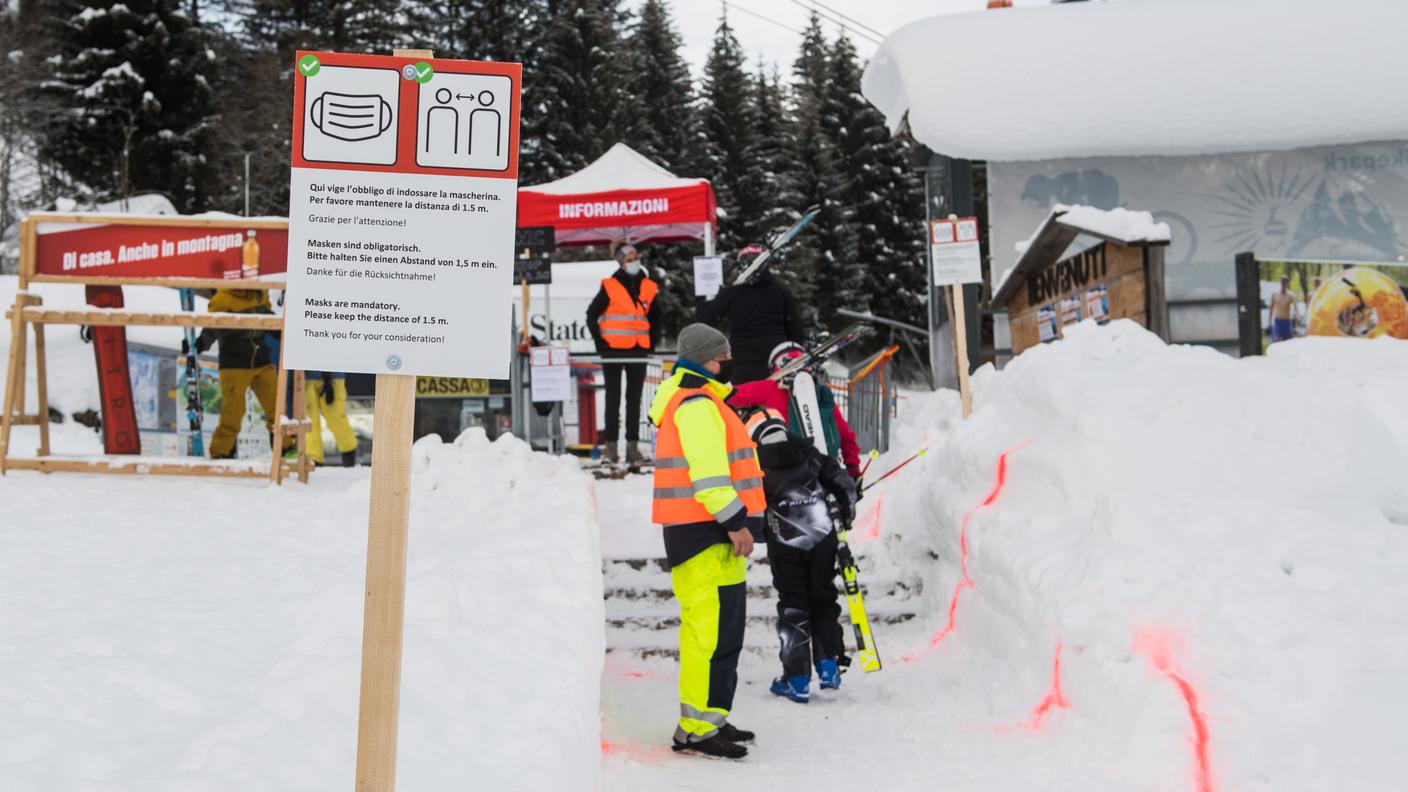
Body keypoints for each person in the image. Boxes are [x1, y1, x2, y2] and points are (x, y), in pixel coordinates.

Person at [647, 323, 765, 760]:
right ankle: (695, 730)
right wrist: (737, 523)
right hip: (706, 534)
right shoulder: (696, 405)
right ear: (704, 359)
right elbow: (711, 478)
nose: (726, 365)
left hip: (710, 536)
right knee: (707, 637)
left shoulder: (705, 401)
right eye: (721, 358)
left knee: (723, 634)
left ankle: (712, 716)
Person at [742, 407, 857, 703]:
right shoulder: (809, 452)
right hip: (822, 536)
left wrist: (761, 535)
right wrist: (846, 514)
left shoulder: (753, 462)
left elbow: (751, 508)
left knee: (793, 604)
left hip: (785, 540)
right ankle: (829, 666)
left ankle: (797, 679)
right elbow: (842, 483)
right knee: (823, 597)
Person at [729, 341, 862, 478]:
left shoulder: (768, 389)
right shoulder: (820, 394)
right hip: (826, 471)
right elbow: (846, 437)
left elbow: (731, 395)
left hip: (785, 472)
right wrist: (854, 471)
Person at [585, 242, 660, 464]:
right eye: (629, 259)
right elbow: (591, 314)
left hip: (638, 350)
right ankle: (611, 448)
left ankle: (632, 447)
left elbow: (656, 318)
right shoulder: (610, 285)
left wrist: (651, 344)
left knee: (634, 400)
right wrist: (601, 344)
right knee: (612, 399)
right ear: (621, 262)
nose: (634, 262)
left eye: (636, 257)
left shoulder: (648, 286)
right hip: (613, 351)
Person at [188, 289, 281, 460]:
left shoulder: (260, 293)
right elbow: (214, 326)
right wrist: (201, 343)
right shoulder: (223, 299)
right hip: (235, 362)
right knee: (233, 411)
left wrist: (277, 329)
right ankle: (221, 451)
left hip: (261, 361)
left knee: (276, 405)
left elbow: (266, 315)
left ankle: (284, 446)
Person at [697, 245, 804, 384]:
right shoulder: (781, 291)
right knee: (772, 402)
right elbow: (796, 332)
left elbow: (705, 320)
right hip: (773, 359)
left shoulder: (732, 293)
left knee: (744, 401)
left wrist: (710, 300)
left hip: (742, 361)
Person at [305, 371, 358, 466]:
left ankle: (349, 455)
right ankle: (314, 460)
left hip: (334, 378)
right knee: (310, 423)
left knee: (336, 419)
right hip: (306, 378)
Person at [1268, 275, 1297, 343]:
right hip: (1278, 321)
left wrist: (1297, 319)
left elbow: (1296, 308)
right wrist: (1269, 322)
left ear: (1287, 283)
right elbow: (1271, 308)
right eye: (1282, 282)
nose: (1283, 284)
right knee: (1278, 341)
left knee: (1288, 342)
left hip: (1287, 321)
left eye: (1285, 282)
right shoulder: (1275, 294)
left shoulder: (1291, 295)